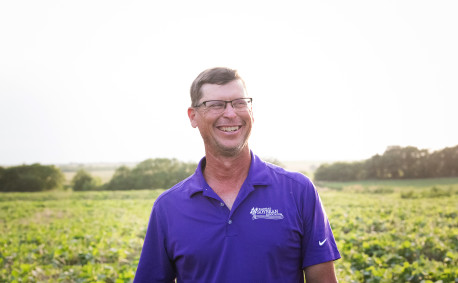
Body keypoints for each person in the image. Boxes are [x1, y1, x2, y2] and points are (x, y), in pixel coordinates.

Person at [134, 67, 341, 283]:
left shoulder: (299, 191)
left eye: (239, 103)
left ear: (251, 110)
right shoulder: (168, 207)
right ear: (193, 116)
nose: (231, 113)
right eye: (216, 105)